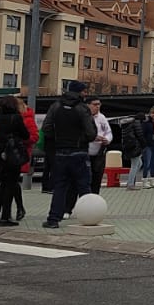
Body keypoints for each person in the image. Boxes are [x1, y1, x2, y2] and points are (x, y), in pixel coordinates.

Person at [43, 81, 95, 228]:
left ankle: (53, 219)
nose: (86, 94)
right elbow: (91, 133)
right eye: (84, 91)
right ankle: (89, 217)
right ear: (79, 92)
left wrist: (58, 139)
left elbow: (46, 128)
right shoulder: (82, 108)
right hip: (79, 152)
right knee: (84, 186)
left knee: (60, 187)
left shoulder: (56, 106)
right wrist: (82, 139)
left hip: (60, 152)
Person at [0, 94, 30, 226]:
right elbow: (25, 135)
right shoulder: (16, 117)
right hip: (12, 155)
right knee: (10, 185)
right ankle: (5, 216)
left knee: (1, 185)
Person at [87, 99, 113, 195]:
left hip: (99, 152)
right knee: (86, 178)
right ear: (88, 105)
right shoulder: (85, 117)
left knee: (97, 177)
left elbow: (108, 132)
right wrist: (94, 138)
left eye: (99, 104)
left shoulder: (102, 117)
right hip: (86, 151)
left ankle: (95, 195)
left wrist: (107, 139)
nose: (97, 106)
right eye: (95, 104)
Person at [119, 111, 147, 189]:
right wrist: (144, 144)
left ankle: (130, 181)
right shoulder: (136, 123)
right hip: (135, 146)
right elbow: (140, 135)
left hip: (128, 145)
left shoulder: (127, 124)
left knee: (139, 163)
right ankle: (130, 184)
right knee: (134, 165)